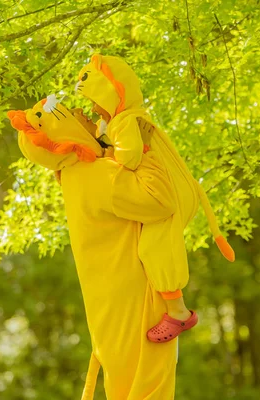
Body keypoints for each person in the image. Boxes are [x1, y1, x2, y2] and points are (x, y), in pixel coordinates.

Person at [8, 95, 178, 399]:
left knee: (127, 388)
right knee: (148, 388)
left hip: (112, 310)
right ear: (67, 132)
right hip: (135, 305)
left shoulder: (77, 174)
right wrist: (146, 148)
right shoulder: (97, 176)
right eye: (73, 115)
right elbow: (161, 201)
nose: (83, 113)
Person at [74, 54, 235, 343]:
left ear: (111, 95)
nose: (92, 108)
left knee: (153, 249)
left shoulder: (125, 121)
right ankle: (171, 305)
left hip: (167, 194)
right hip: (169, 190)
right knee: (151, 245)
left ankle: (179, 313)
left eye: (95, 100)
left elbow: (131, 157)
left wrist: (112, 148)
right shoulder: (114, 123)